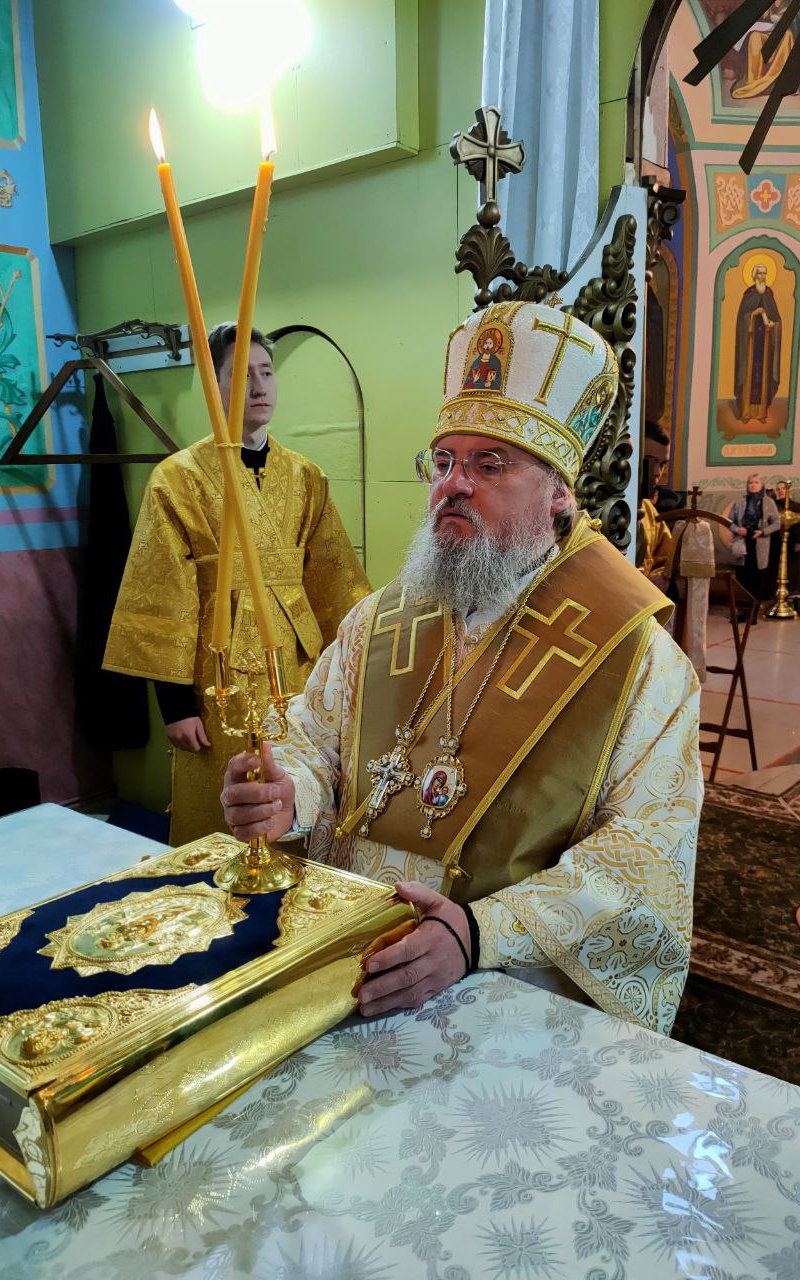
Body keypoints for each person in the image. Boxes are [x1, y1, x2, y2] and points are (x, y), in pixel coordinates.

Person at [222, 301, 702, 1036]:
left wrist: (478, 934)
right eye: (443, 461)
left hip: (504, 989)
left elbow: (642, 856)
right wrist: (291, 796)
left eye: (489, 464)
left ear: (559, 492)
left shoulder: (639, 663)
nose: (452, 484)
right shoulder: (377, 620)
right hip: (344, 952)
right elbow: (314, 743)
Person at [104, 323, 370, 846]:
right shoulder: (177, 478)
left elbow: (336, 580)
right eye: (243, 375)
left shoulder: (306, 476)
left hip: (298, 667)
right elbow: (162, 593)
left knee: (300, 784)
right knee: (222, 805)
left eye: (267, 372)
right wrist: (175, 706)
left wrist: (357, 669)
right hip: (217, 674)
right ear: (213, 383)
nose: (259, 386)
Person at [734, 263, 782, 423]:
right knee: (748, 376)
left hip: (765, 346)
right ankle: (746, 412)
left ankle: (761, 413)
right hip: (750, 345)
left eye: (765, 273)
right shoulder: (749, 294)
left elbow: (777, 320)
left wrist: (774, 324)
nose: (762, 276)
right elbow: (742, 319)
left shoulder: (769, 294)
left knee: (763, 377)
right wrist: (755, 313)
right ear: (754, 275)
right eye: (760, 273)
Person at [729, 472, 780, 605]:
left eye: (756, 482)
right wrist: (737, 530)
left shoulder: (768, 502)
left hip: (760, 541)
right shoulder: (739, 502)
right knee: (742, 576)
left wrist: (763, 532)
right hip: (742, 540)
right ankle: (742, 608)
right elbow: (729, 522)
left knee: (758, 576)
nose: (753, 485)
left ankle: (755, 608)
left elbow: (777, 523)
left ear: (762, 485)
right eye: (751, 482)